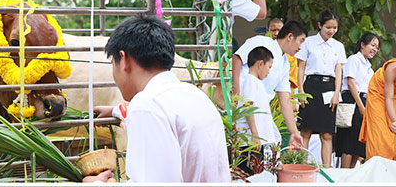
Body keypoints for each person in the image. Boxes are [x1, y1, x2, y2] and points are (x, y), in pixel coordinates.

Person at [86, 15, 230, 183]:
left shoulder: (147, 106)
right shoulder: (195, 95)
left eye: (113, 63)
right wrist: (115, 111)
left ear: (123, 59)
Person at [232, 21, 308, 149]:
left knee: (274, 144)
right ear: (290, 37)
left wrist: (294, 132)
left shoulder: (285, 64)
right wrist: (236, 88)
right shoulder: (261, 42)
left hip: (262, 109)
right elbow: (237, 58)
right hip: (244, 104)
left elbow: (285, 101)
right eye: (301, 41)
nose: (300, 47)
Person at [295, 10, 346, 168]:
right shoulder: (308, 42)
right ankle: (301, 167)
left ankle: (327, 169)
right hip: (310, 86)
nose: (331, 31)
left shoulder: (338, 46)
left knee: (327, 133)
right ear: (320, 25)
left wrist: (337, 93)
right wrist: (301, 92)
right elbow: (301, 68)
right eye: (328, 27)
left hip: (329, 88)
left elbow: (338, 71)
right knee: (306, 131)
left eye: (335, 28)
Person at [335, 32, 379, 168]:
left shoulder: (369, 67)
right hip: (353, 100)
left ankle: (351, 175)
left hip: (364, 102)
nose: (375, 49)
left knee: (357, 144)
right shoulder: (354, 59)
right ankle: (343, 175)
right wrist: (360, 106)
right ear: (362, 45)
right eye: (372, 45)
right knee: (348, 142)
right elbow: (351, 83)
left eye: (377, 47)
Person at [237, 46, 276, 175]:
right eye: (269, 67)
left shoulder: (255, 82)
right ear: (260, 63)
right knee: (250, 175)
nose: (269, 72)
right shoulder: (250, 81)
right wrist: (254, 135)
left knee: (256, 173)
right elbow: (248, 106)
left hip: (255, 140)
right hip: (251, 140)